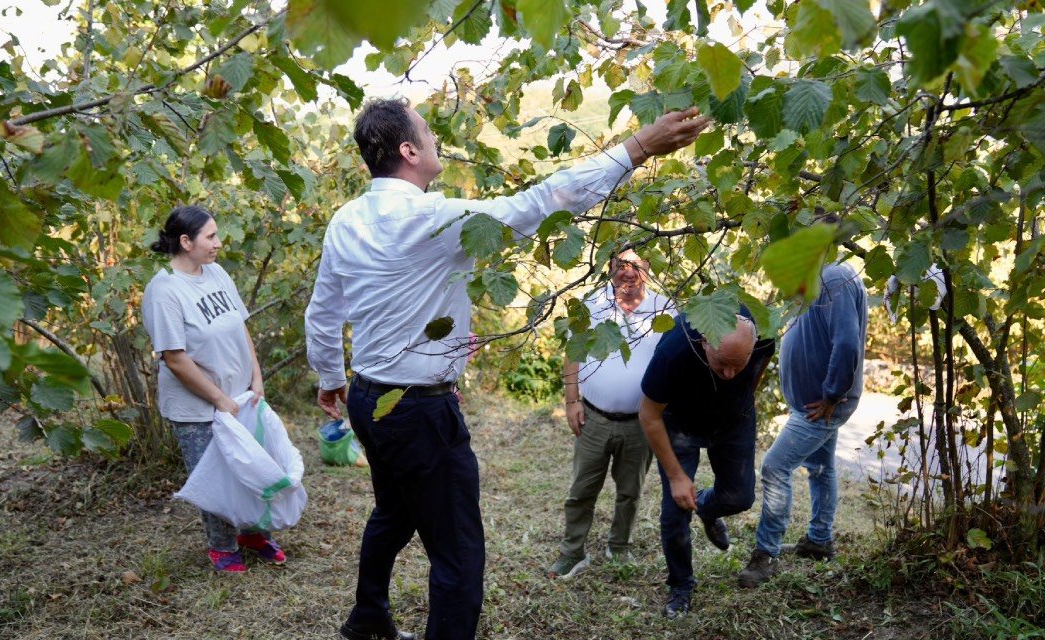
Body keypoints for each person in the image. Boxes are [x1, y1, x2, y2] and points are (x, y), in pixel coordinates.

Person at [305, 98, 709, 640]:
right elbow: (542, 201)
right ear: (408, 150)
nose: (435, 141)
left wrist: (331, 377)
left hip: (368, 398)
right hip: (417, 412)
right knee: (459, 557)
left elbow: (323, 311)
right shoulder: (431, 218)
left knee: (394, 513)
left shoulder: (346, 220)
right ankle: (380, 621)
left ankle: (368, 619)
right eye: (427, 133)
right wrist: (635, 150)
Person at [140, 205, 285, 573]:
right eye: (211, 236)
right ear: (186, 242)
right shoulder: (165, 290)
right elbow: (174, 358)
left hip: (239, 400)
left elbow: (240, 327)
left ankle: (253, 534)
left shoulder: (217, 273)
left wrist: (256, 376)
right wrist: (218, 400)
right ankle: (222, 546)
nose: (219, 243)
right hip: (199, 408)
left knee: (250, 469)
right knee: (215, 478)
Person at [738, 261, 868, 588]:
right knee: (821, 468)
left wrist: (832, 394)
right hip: (814, 405)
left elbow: (848, 342)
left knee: (774, 467)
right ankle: (819, 541)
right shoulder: (817, 277)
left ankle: (766, 555)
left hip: (821, 406)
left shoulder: (834, 276)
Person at [639, 312, 775, 619]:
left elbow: (759, 368)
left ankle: (706, 508)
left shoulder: (764, 336)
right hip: (679, 423)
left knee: (740, 497)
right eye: (721, 362)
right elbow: (648, 415)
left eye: (737, 365)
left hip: (733, 421)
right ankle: (681, 586)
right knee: (675, 513)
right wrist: (676, 476)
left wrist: (740, 395)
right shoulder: (674, 350)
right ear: (704, 343)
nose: (729, 373)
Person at [547, 249, 672, 579]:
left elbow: (674, 359)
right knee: (581, 490)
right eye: (621, 266)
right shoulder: (591, 304)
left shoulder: (664, 308)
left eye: (636, 266)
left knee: (630, 491)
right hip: (594, 418)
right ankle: (572, 552)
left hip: (641, 422)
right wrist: (572, 401)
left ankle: (619, 547)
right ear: (609, 268)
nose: (628, 273)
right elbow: (573, 352)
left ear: (648, 268)